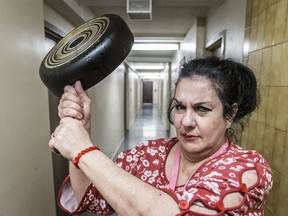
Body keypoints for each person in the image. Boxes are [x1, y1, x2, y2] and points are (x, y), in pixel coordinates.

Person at [49, 56, 273, 215]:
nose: (186, 121)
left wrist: (83, 150)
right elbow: (91, 196)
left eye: (202, 109)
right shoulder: (148, 154)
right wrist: (81, 129)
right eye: (179, 107)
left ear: (230, 114)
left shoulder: (247, 170)